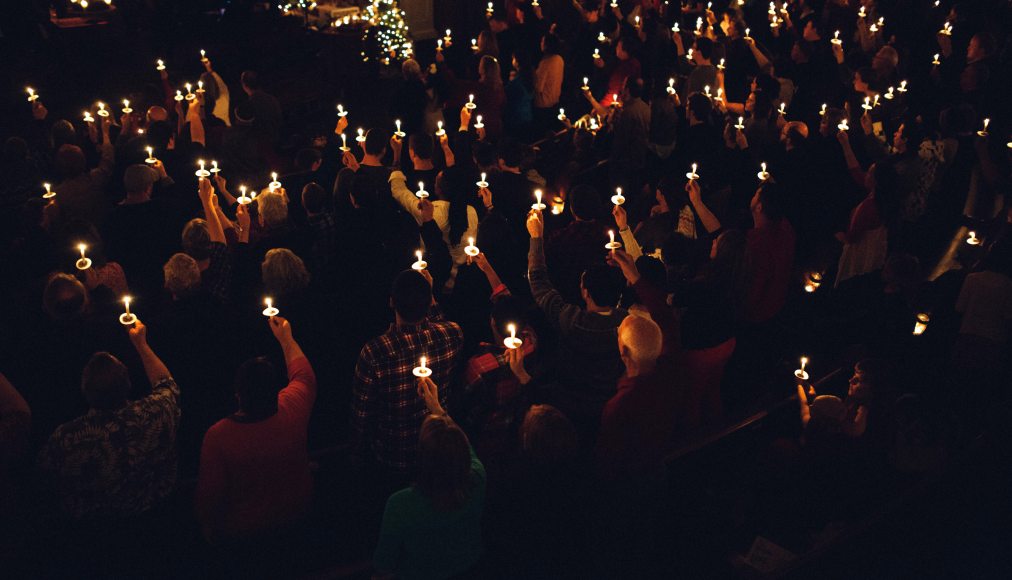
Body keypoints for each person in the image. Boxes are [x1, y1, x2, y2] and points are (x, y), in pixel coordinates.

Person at [37, 320, 180, 519]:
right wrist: (141, 344)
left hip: (98, 526)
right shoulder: (157, 411)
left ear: (85, 392)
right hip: (159, 510)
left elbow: (46, 475)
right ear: (128, 383)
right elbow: (165, 382)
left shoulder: (68, 437)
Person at [195, 316, 316, 543]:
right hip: (298, 516)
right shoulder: (294, 407)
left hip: (245, 532)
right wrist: (286, 338)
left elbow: (208, 499)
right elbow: (304, 375)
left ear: (238, 396)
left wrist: (207, 529)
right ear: (276, 392)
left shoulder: (219, 437)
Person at [352, 269, 464, 477]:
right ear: (430, 301)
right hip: (437, 451)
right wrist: (431, 297)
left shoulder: (376, 352)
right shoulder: (453, 334)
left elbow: (362, 415)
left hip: (394, 456)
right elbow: (441, 326)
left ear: (391, 302)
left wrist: (357, 457)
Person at [526, 210, 627, 439]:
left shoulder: (572, 320)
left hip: (568, 403)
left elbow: (539, 283)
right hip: (608, 402)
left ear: (585, 292)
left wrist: (536, 237)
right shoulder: (627, 322)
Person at [373, 377, 485, 580]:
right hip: (470, 565)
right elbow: (462, 441)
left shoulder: (400, 503)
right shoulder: (479, 476)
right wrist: (438, 409)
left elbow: (384, 563)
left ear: (422, 456)